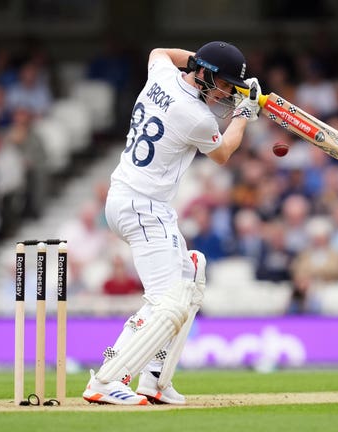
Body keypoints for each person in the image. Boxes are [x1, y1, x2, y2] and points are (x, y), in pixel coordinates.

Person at [82, 41, 262, 406]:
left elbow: (159, 52)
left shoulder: (162, 75)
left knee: (191, 275)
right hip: (144, 207)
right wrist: (245, 112)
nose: (226, 92)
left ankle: (156, 381)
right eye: (225, 84)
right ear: (206, 74)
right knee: (167, 302)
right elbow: (224, 153)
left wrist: (197, 61)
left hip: (131, 198)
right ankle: (108, 378)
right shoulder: (195, 116)